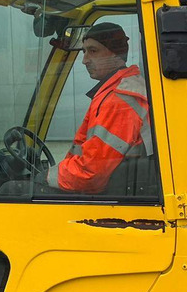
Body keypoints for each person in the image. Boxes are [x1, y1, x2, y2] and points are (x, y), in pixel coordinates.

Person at [43, 22, 150, 193]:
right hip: (117, 189)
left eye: (93, 51)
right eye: (84, 52)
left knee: (13, 190)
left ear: (116, 54)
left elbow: (91, 174)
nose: (85, 60)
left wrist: (46, 177)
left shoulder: (120, 99)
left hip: (115, 195)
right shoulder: (114, 91)